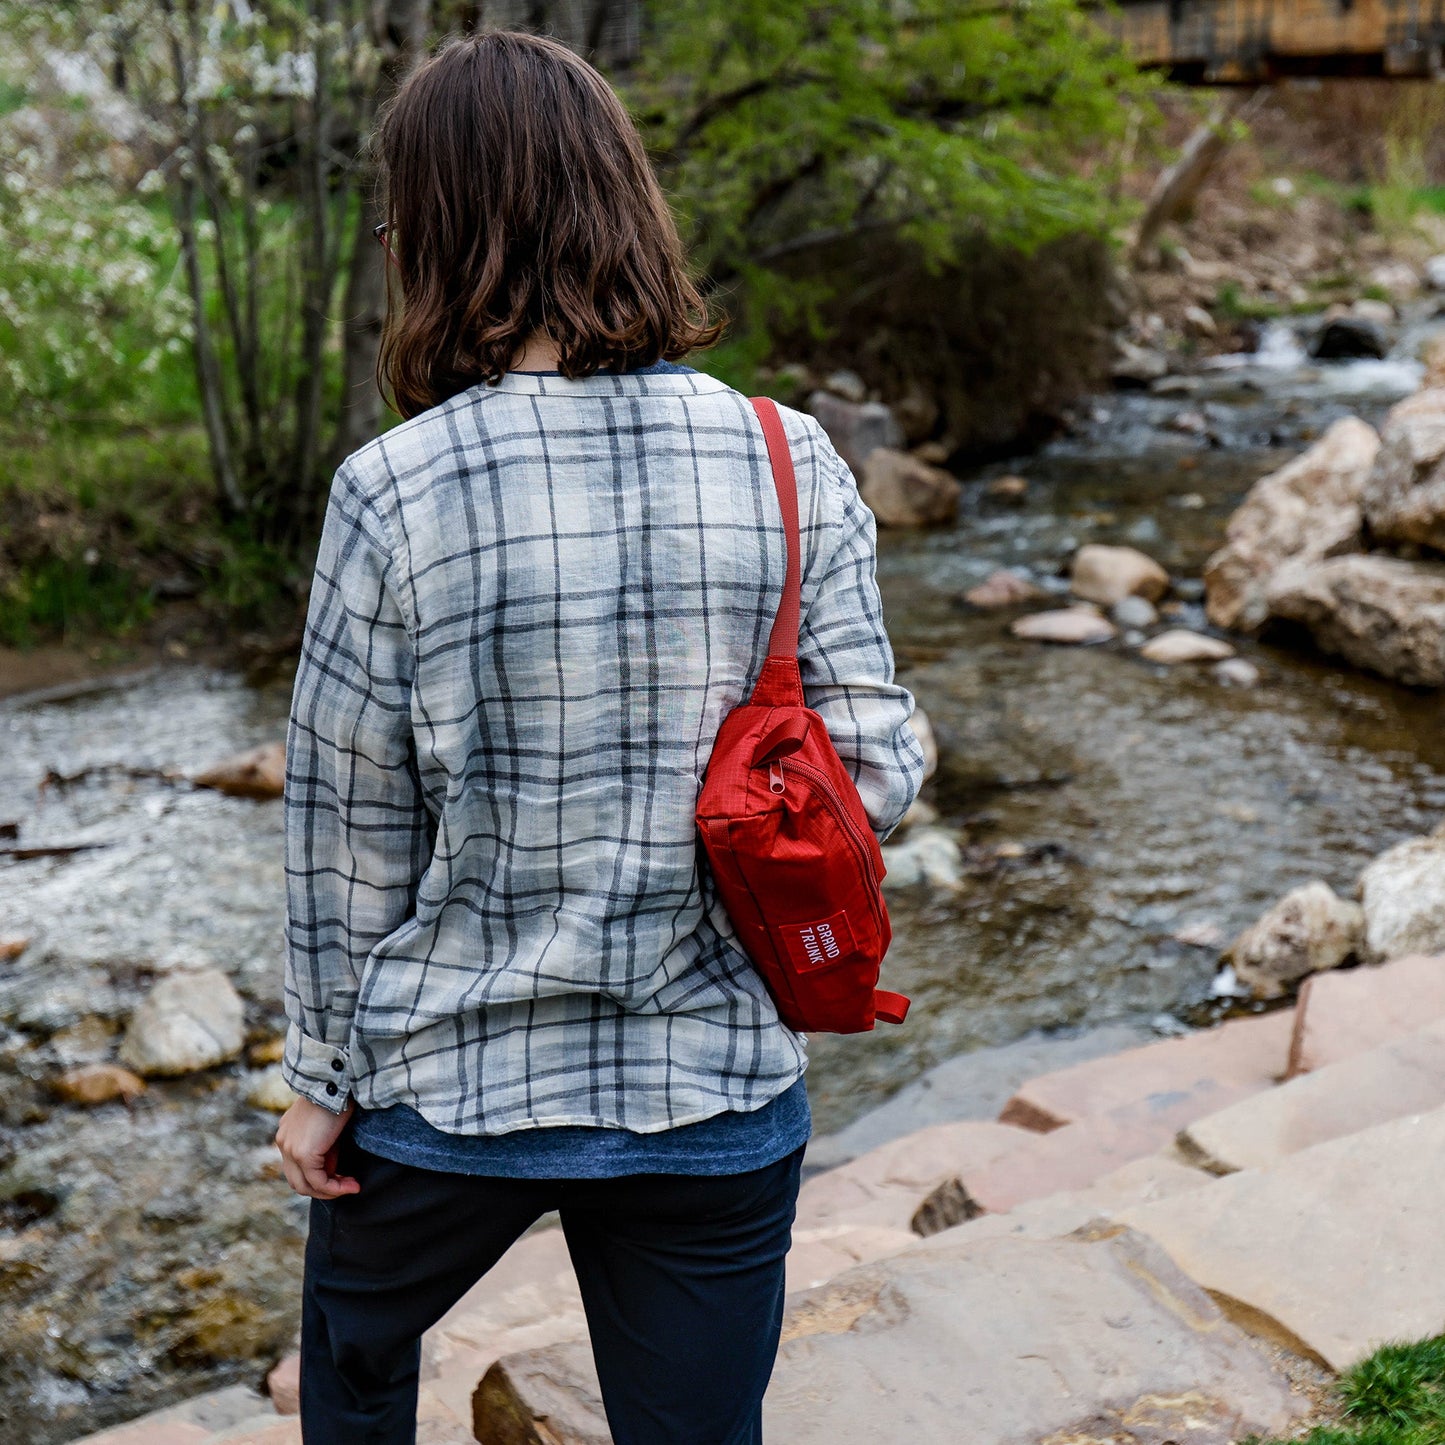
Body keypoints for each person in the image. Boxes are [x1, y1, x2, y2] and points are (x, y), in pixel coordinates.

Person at [273, 29, 923, 1445]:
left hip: (451, 1092)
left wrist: (320, 1082)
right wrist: (718, 814)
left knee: (353, 1367)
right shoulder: (785, 452)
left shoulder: (392, 489)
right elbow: (878, 764)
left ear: (434, 235)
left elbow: (346, 834)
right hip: (713, 1087)